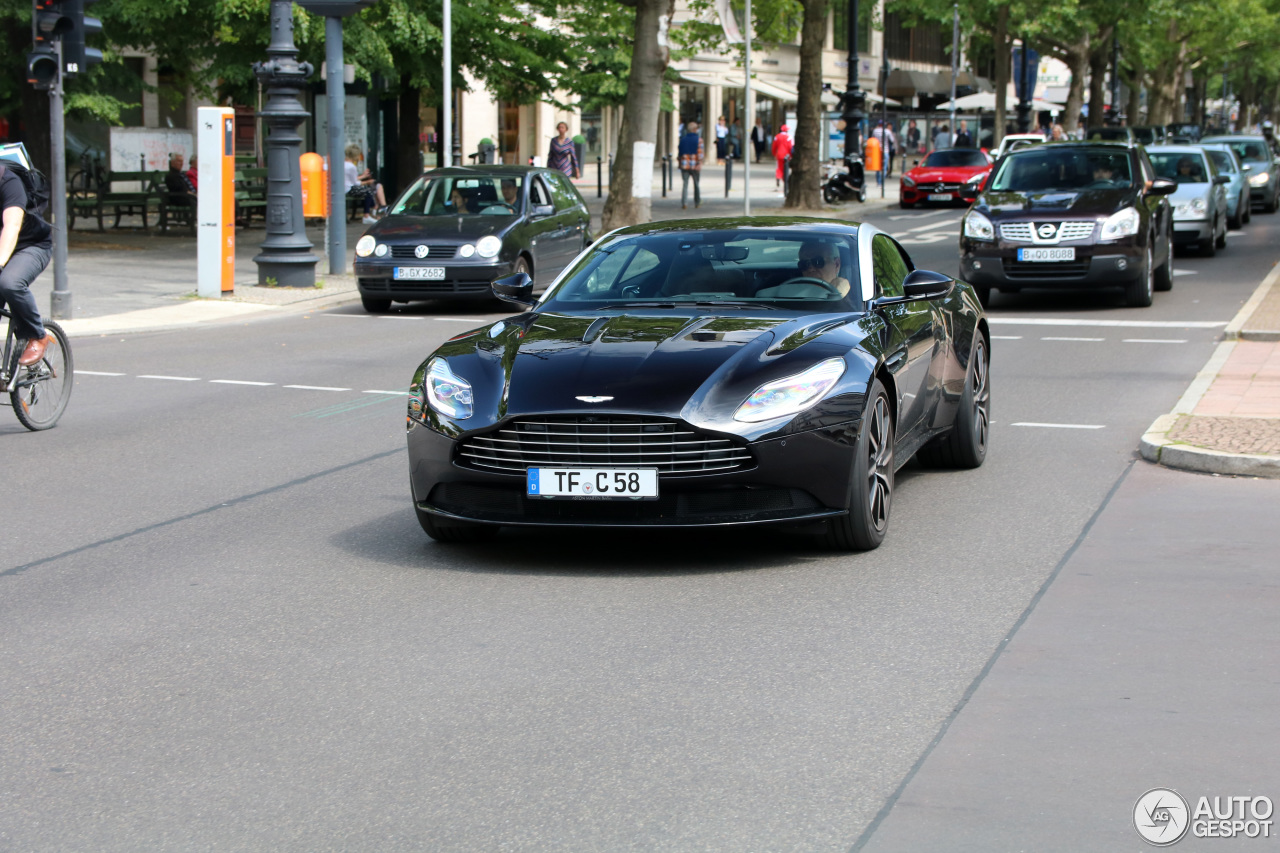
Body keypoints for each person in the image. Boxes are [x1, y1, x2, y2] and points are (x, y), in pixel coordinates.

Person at [0, 160, 53, 367]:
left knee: (9, 282)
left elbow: (11, 226)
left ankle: (37, 335)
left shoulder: (8, 182)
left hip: (30, 246)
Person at [344, 144, 386, 225]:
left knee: (369, 190)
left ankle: (375, 210)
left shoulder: (343, 164)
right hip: (348, 189)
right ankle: (368, 214)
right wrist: (366, 182)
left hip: (345, 187)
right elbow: (354, 183)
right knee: (369, 191)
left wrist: (363, 177)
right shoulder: (352, 167)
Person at [677, 120, 704, 210]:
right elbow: (700, 154)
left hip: (685, 165)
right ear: (694, 129)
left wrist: (679, 163)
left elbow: (680, 154)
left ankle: (684, 203)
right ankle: (697, 202)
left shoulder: (683, 140)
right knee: (696, 184)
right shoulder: (699, 140)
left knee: (685, 184)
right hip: (695, 165)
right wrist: (700, 163)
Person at [771, 124, 792, 188]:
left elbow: (774, 147)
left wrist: (774, 154)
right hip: (786, 155)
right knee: (785, 168)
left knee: (779, 167)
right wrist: (791, 155)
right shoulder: (789, 137)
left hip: (779, 155)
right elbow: (790, 147)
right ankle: (785, 179)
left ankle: (778, 177)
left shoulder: (777, 137)